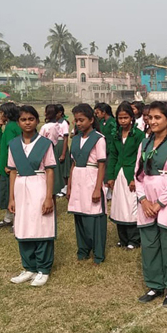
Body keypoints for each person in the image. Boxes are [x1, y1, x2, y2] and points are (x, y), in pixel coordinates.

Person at [135, 101, 167, 307]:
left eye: (158, 117)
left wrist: (159, 203)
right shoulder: (144, 144)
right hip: (146, 200)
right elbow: (138, 175)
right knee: (150, 245)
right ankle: (154, 284)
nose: (153, 121)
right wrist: (143, 200)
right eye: (150, 117)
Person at [7, 106, 57, 287]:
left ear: (37, 121)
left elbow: (50, 171)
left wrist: (48, 197)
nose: (27, 123)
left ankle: (43, 269)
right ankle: (29, 267)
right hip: (21, 188)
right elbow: (13, 172)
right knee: (24, 226)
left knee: (41, 226)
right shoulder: (13, 144)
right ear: (18, 122)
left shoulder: (45, 144)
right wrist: (11, 198)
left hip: (39, 186)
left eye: (31, 119)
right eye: (23, 119)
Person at [66, 104, 107, 265]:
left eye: (81, 120)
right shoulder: (76, 139)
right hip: (77, 178)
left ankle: (98, 253)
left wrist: (97, 188)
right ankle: (83, 250)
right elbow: (73, 164)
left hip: (91, 177)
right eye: (76, 120)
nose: (78, 123)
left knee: (94, 216)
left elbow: (101, 165)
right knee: (80, 214)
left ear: (91, 120)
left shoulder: (99, 139)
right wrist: (69, 186)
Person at [106, 102, 145, 249]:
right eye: (120, 118)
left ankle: (134, 239)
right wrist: (110, 176)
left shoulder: (138, 135)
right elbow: (113, 156)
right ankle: (122, 238)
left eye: (125, 118)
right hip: (119, 174)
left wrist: (135, 178)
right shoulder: (116, 134)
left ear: (132, 118)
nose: (123, 121)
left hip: (131, 174)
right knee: (119, 206)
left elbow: (141, 158)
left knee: (131, 206)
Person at [0, 102, 22, 229]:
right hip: (5, 166)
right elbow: (2, 143)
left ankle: (17, 221)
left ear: (7, 114)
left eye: (1, 113)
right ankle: (8, 218)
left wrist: (10, 166)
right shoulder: (9, 126)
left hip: (9, 168)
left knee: (12, 193)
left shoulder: (11, 127)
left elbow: (12, 147)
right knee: (7, 193)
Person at [39, 104, 64, 196]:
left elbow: (41, 139)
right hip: (53, 150)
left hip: (46, 151)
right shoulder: (57, 125)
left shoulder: (46, 127)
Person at [55, 104, 71, 196]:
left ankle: (64, 188)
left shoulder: (64, 123)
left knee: (63, 167)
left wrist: (63, 153)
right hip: (55, 144)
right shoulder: (54, 122)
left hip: (61, 144)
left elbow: (65, 138)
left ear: (60, 113)